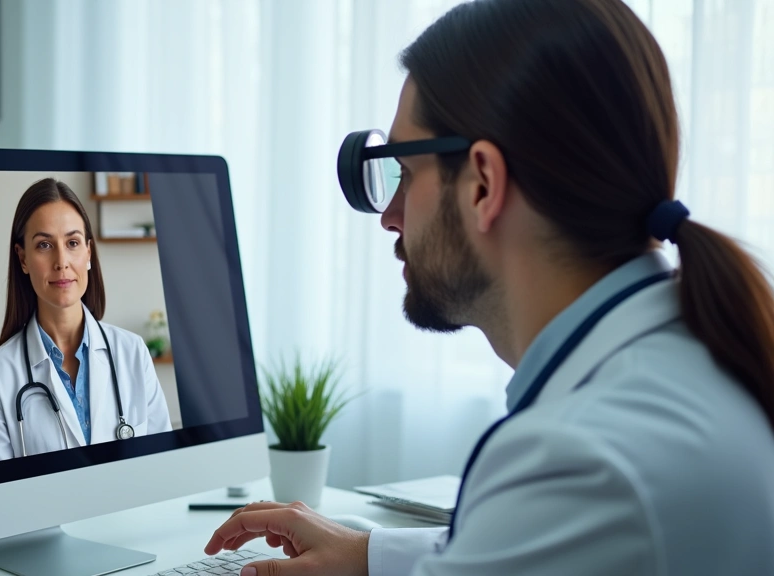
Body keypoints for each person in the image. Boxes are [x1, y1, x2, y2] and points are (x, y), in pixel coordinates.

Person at [205, 0, 774, 574]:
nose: (390, 216)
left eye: (403, 170)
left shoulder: (579, 460)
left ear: (482, 184)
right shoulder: (698, 354)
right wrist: (369, 555)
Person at [0, 178, 172, 464]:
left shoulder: (133, 352)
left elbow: (163, 467)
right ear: (23, 258)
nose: (61, 261)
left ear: (88, 252)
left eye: (73, 242)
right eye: (44, 245)